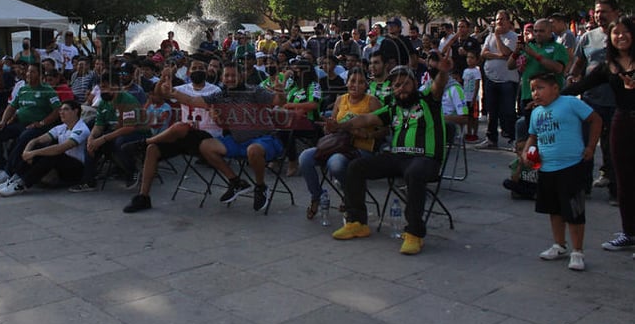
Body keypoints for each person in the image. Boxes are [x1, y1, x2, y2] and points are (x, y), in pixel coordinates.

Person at [331, 57, 453, 255]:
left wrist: (443, 72)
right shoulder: (392, 107)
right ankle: (357, 222)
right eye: (396, 85)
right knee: (355, 166)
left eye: (405, 83)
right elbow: (365, 118)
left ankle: (414, 233)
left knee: (414, 173)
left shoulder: (428, 100)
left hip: (425, 159)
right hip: (397, 158)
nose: (401, 88)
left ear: (414, 84)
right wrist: (339, 126)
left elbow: (439, 85)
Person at [163, 61, 287, 212]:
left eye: (233, 75)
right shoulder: (219, 95)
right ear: (222, 77)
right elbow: (192, 101)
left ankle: (260, 187)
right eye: (226, 75)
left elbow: (278, 101)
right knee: (205, 146)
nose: (229, 78)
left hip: (265, 139)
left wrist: (280, 92)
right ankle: (235, 182)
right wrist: (172, 92)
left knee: (253, 150)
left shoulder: (255, 91)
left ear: (241, 76)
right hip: (238, 141)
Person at [563, 15, 635, 255]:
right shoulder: (608, 66)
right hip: (622, 121)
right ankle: (629, 232)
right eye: (616, 33)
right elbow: (581, 86)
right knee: (623, 179)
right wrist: (552, 96)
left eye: (625, 32)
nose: (620, 36)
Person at [121, 56, 222, 212]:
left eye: (201, 68)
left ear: (207, 71)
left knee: (181, 126)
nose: (197, 71)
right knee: (152, 150)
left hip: (207, 138)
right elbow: (158, 94)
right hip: (185, 137)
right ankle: (143, 197)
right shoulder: (183, 88)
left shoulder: (215, 90)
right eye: (194, 68)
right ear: (188, 72)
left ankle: (142, 143)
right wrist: (164, 76)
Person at [525, 72, 601, 271]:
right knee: (554, 209)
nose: (536, 93)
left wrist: (591, 147)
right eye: (533, 89)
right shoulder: (536, 113)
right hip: (547, 167)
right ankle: (559, 244)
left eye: (540, 88)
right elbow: (533, 136)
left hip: (571, 166)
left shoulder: (569, 103)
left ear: (555, 88)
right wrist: (525, 152)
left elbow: (596, 120)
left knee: (574, 211)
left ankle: (577, 251)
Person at [299, 67, 382, 219]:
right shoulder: (340, 99)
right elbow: (333, 129)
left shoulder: (372, 102)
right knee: (305, 157)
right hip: (338, 144)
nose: (356, 85)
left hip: (360, 148)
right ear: (347, 82)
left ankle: (349, 195)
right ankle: (317, 196)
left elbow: (386, 130)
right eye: (352, 81)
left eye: (361, 82)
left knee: (335, 163)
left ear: (366, 85)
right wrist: (328, 128)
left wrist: (368, 133)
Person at [569, 0, 621, 201]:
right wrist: (573, 76)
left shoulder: (623, 35)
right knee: (585, 144)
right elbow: (579, 63)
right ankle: (584, 186)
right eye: (597, 11)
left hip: (618, 102)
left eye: (604, 11)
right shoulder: (588, 37)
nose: (599, 15)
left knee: (614, 147)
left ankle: (616, 190)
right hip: (591, 101)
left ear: (616, 13)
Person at [0, 63, 61, 183]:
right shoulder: (23, 89)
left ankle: (9, 171)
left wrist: (41, 123)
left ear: (40, 75)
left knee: (24, 137)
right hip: (20, 123)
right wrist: (3, 121)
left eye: (33, 72)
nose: (29, 74)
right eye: (28, 71)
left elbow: (57, 110)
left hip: (38, 127)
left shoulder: (48, 90)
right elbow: (12, 107)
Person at [0, 100, 91, 196]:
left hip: (76, 170)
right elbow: (36, 140)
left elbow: (61, 148)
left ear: (76, 111)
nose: (61, 112)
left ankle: (21, 184)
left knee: (53, 154)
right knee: (37, 147)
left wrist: (34, 153)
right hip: (62, 165)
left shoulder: (81, 129)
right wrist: (27, 152)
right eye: (60, 110)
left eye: (65, 109)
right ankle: (14, 179)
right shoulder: (62, 127)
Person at [478, 10, 519, 149]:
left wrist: (497, 36)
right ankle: (491, 138)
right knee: (492, 110)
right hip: (491, 78)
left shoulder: (513, 37)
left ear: (508, 21)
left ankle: (513, 138)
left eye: (502, 19)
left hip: (507, 80)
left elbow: (507, 52)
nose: (499, 22)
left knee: (508, 111)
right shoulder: (489, 37)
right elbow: (484, 53)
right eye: (497, 19)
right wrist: (499, 56)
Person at [462, 50, 482, 141]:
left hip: (474, 98)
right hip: (466, 97)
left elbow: (477, 85)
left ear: (476, 60)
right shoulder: (465, 70)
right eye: (468, 57)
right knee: (468, 117)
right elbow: (463, 84)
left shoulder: (476, 71)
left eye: (472, 58)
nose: (469, 60)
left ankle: (475, 133)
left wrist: (474, 97)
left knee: (474, 116)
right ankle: (468, 132)